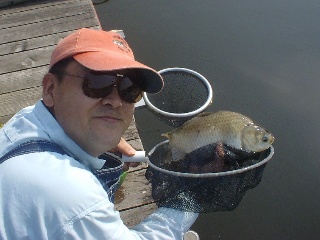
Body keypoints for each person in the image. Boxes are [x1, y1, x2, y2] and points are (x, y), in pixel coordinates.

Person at [0, 28, 198, 239]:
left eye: (130, 88)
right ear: (50, 89)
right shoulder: (71, 196)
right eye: (97, 83)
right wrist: (191, 196)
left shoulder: (24, 123)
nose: (115, 101)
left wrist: (96, 139)